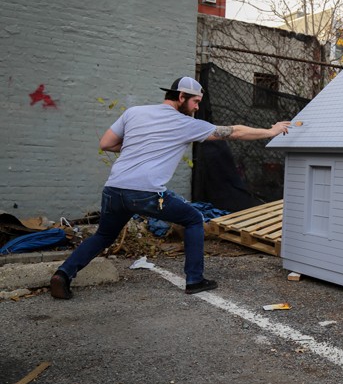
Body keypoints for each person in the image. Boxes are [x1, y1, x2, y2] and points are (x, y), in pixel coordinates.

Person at [50, 76, 291, 299]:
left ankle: (63, 274)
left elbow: (106, 143)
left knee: (103, 235)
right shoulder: (185, 123)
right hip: (146, 193)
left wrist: (140, 146)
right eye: (195, 101)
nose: (197, 107)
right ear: (181, 97)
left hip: (114, 189)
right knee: (194, 219)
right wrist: (270, 131)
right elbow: (234, 132)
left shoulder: (134, 113)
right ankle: (195, 280)